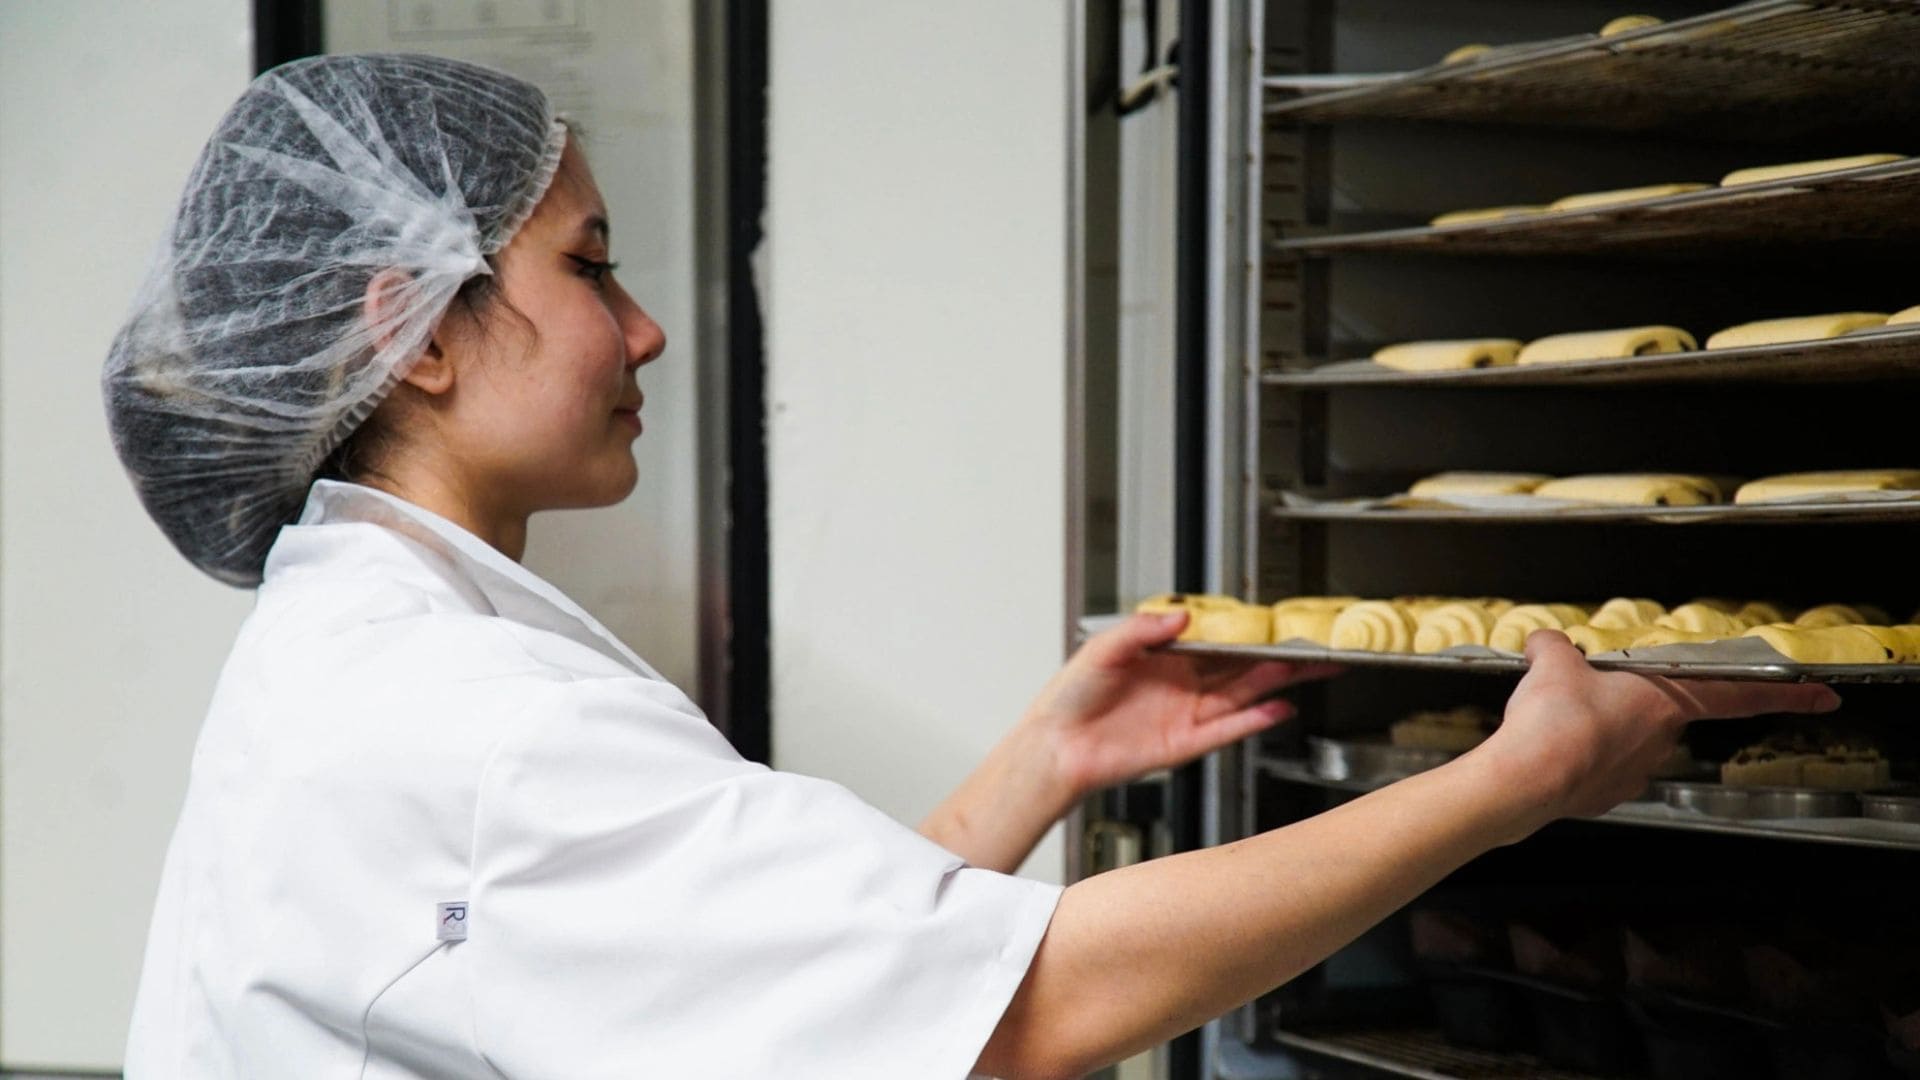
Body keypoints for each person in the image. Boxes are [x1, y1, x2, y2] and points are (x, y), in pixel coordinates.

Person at [103, 54, 1839, 1080]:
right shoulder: (467, 718)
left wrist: (1045, 764)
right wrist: (1513, 785)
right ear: (412, 328)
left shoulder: (381, 647)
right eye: (590, 265)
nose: (643, 328)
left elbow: (780, 978)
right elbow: (1030, 1015)